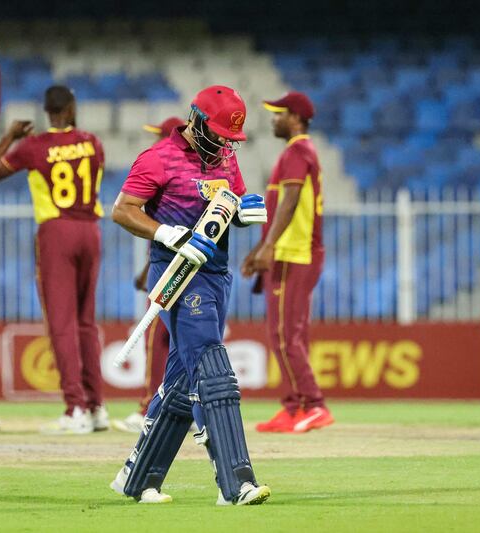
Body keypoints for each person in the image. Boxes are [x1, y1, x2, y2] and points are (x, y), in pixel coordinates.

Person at [108, 86, 271, 505]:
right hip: (178, 275)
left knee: (182, 378)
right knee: (212, 368)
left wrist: (243, 211)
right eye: (217, 134)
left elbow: (227, 204)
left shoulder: (227, 158)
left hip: (216, 274)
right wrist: (167, 232)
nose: (223, 146)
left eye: (230, 139)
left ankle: (140, 479)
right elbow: (123, 210)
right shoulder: (157, 158)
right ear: (195, 120)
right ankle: (236, 484)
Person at [0, 85, 107, 435]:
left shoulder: (35, 147)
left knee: (61, 323)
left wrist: (8, 136)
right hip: (91, 230)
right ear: (71, 107)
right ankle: (97, 407)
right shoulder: (93, 142)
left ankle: (75, 408)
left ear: (46, 112)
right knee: (85, 322)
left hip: (57, 231)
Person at [241, 91, 332, 433]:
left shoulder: (296, 152)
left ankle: (313, 404)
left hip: (295, 253)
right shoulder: (299, 152)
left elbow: (290, 201)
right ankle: (294, 406)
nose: (273, 119)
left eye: (278, 113)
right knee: (288, 333)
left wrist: (269, 247)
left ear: (295, 117)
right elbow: (284, 205)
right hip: (290, 251)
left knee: (284, 335)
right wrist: (261, 248)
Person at [112, 117, 184, 434]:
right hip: (179, 268)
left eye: (158, 136)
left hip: (169, 273)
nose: (156, 142)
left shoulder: (165, 168)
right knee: (176, 344)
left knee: (156, 340)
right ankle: (177, 406)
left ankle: (147, 409)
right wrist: (145, 271)